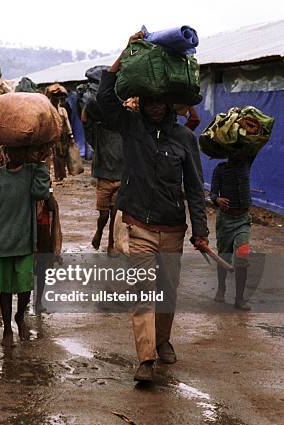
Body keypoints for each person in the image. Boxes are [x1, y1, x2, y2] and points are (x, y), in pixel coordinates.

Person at [97, 31, 210, 382]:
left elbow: (194, 188)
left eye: (161, 100)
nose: (155, 105)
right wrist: (126, 49)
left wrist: (201, 231)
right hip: (139, 226)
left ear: (171, 103)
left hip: (173, 228)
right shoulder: (131, 127)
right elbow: (104, 99)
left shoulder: (185, 139)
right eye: (150, 99)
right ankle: (144, 359)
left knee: (167, 292)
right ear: (142, 100)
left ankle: (162, 340)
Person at [0, 145, 51, 347]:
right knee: (5, 290)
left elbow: (41, 193)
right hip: (1, 242)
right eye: (12, 151)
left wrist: (40, 164)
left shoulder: (31, 172)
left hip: (24, 242)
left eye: (20, 151)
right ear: (5, 153)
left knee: (24, 287)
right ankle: (7, 329)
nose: (16, 155)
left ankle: (20, 316)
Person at [210, 152, 254, 310]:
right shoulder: (220, 169)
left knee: (242, 256)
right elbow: (213, 193)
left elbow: (256, 144)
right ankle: (221, 288)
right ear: (227, 151)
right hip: (225, 221)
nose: (238, 153)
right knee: (224, 256)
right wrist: (217, 199)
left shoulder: (246, 163)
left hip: (243, 220)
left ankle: (239, 299)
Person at [82, 99, 125, 257]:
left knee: (115, 213)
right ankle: (99, 231)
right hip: (104, 178)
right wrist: (88, 105)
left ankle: (111, 244)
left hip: (121, 177)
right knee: (104, 215)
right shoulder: (99, 131)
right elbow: (85, 121)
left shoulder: (125, 130)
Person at [50, 95, 74, 182]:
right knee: (56, 156)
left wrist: (70, 134)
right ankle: (58, 175)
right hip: (54, 136)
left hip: (63, 136)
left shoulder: (63, 110)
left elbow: (67, 123)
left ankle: (62, 174)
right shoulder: (50, 111)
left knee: (62, 155)